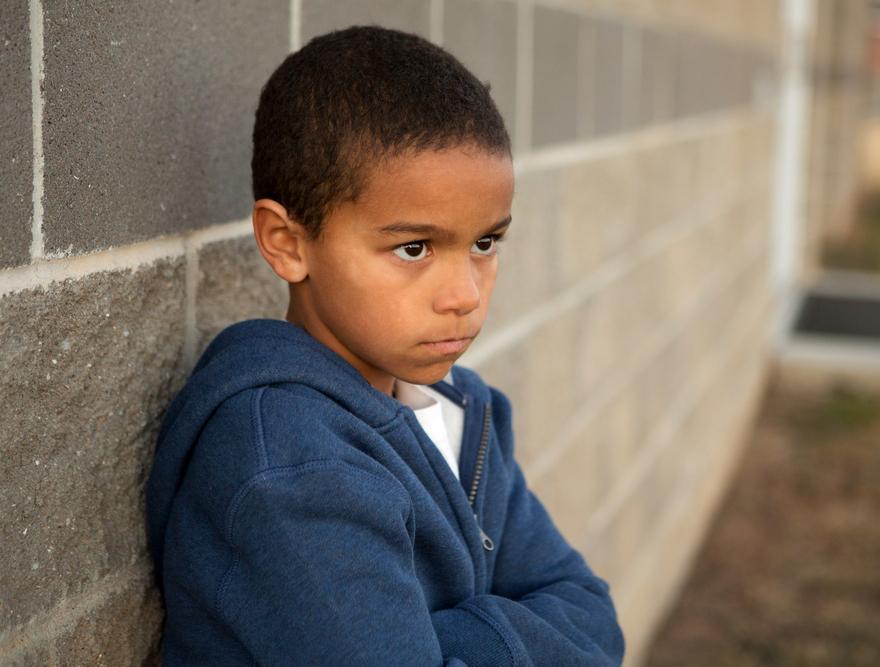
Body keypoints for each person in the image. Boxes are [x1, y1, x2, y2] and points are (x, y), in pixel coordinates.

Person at [145, 25, 625, 666]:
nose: (463, 294)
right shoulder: (290, 464)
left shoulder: (458, 407)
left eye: (485, 244)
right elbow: (569, 629)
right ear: (287, 243)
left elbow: (592, 613)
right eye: (413, 248)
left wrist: (450, 637)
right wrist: (520, 631)